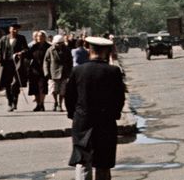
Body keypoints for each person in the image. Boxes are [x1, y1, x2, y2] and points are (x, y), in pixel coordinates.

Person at [66, 36, 126, 180]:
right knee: (103, 163)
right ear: (106, 51)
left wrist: (73, 114)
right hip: (106, 122)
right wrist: (115, 114)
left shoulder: (78, 70)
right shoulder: (113, 71)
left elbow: (69, 96)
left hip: (83, 121)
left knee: (83, 160)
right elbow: (119, 97)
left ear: (89, 50)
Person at [0, 23, 29, 111]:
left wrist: (21, 53)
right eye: (13, 29)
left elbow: (26, 49)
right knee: (7, 84)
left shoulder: (21, 38)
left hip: (17, 63)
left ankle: (15, 101)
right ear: (9, 29)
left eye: (17, 29)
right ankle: (9, 102)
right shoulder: (3, 39)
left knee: (15, 83)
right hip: (6, 64)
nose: (15, 31)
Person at [45, 34, 74, 111]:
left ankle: (60, 104)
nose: (58, 45)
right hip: (53, 72)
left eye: (60, 43)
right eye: (56, 43)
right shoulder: (50, 50)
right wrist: (46, 72)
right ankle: (55, 102)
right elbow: (46, 61)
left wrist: (70, 71)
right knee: (54, 89)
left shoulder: (67, 50)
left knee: (62, 91)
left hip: (64, 73)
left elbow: (70, 61)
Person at [27, 30, 51, 111]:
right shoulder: (34, 46)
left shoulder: (48, 47)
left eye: (41, 36)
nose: (40, 38)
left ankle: (42, 104)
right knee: (35, 88)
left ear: (44, 37)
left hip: (44, 70)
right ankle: (38, 104)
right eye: (38, 36)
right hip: (34, 69)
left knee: (43, 87)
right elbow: (28, 56)